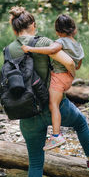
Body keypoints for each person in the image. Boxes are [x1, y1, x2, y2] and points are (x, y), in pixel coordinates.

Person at [6, 6, 89, 177]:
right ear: (32, 25)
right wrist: (71, 75)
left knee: (35, 163)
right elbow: (69, 62)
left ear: (15, 31)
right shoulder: (43, 42)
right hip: (55, 106)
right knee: (80, 123)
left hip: (27, 113)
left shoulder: (10, 49)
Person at [21, 14, 82, 151]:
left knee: (53, 104)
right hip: (68, 78)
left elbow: (52, 49)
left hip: (59, 77)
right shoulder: (77, 45)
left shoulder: (61, 42)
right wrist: (71, 72)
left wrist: (30, 49)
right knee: (56, 102)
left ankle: (56, 135)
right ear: (74, 29)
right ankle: (56, 134)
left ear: (57, 31)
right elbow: (77, 65)